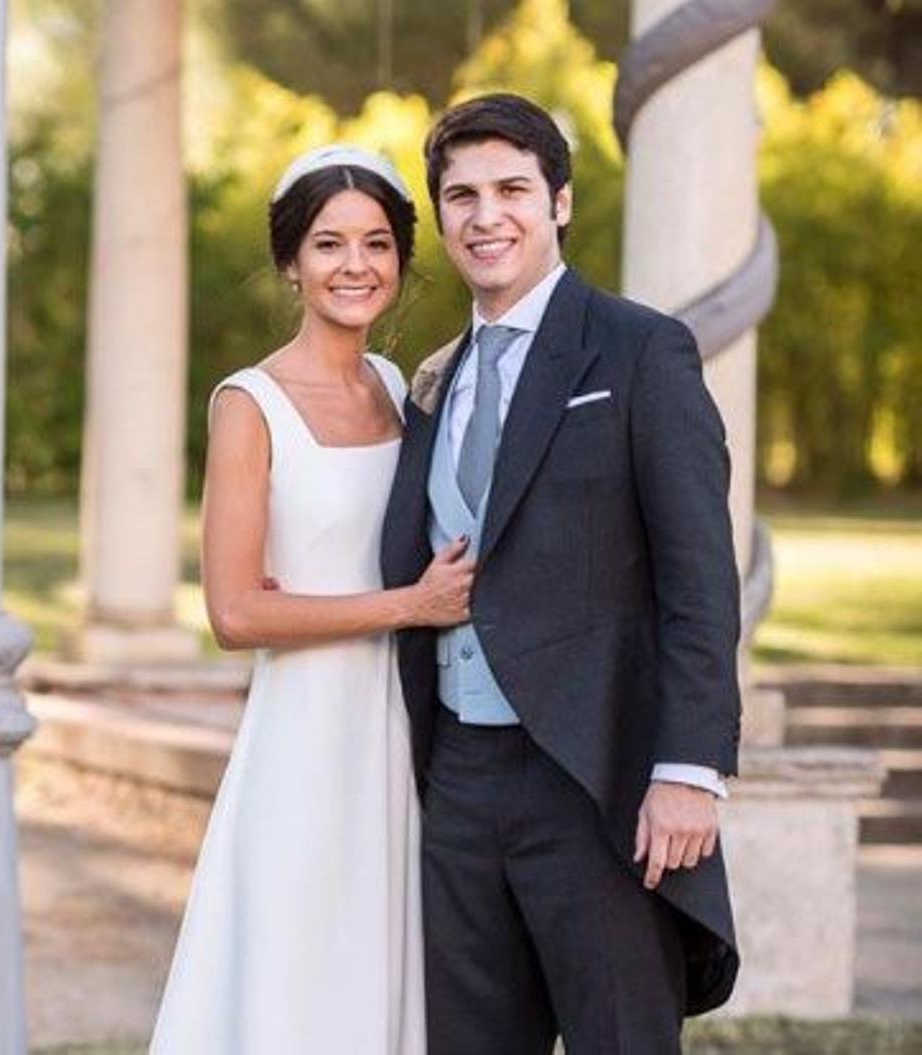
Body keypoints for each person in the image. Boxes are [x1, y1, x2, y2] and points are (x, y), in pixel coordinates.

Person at [380, 93, 743, 1054]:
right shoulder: (433, 378)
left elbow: (700, 577)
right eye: (461, 195)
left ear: (561, 201)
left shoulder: (638, 348)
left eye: (511, 189)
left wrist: (689, 768)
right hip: (456, 780)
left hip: (597, 781)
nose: (485, 215)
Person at [149, 145, 473, 1054]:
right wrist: (408, 605)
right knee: (296, 977)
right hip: (303, 738)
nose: (355, 266)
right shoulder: (249, 405)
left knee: (380, 977)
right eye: (329, 244)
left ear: (403, 263)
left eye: (376, 244)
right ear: (292, 262)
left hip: (400, 732)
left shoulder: (398, 390)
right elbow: (235, 614)